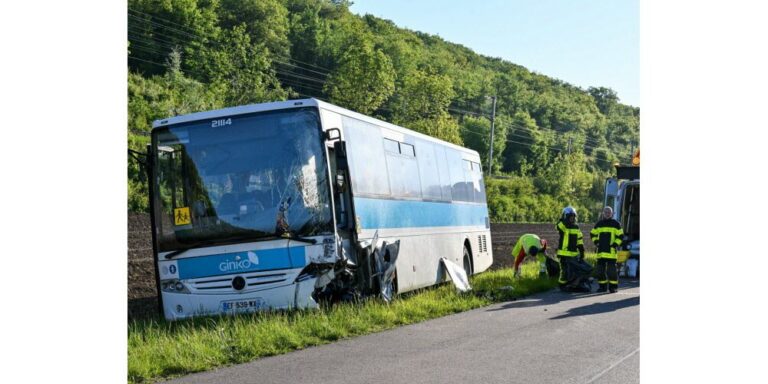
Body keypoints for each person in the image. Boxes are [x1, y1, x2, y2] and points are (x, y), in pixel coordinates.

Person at [591, 206, 624, 293]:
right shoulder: (599, 224)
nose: (607, 214)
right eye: (606, 212)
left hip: (611, 252)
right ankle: (603, 287)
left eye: (609, 212)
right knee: (600, 271)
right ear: (603, 213)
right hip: (601, 252)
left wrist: (615, 244)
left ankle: (613, 287)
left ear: (612, 214)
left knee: (611, 272)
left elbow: (621, 236)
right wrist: (596, 242)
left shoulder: (616, 224)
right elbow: (592, 234)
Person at [556, 206, 589, 292]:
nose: (572, 218)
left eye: (573, 217)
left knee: (575, 271)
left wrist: (582, 250)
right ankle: (562, 285)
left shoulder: (576, 227)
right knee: (565, 271)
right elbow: (559, 226)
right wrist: (564, 219)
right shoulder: (562, 225)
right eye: (570, 217)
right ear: (566, 216)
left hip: (573, 254)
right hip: (564, 253)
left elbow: (579, 239)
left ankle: (573, 285)